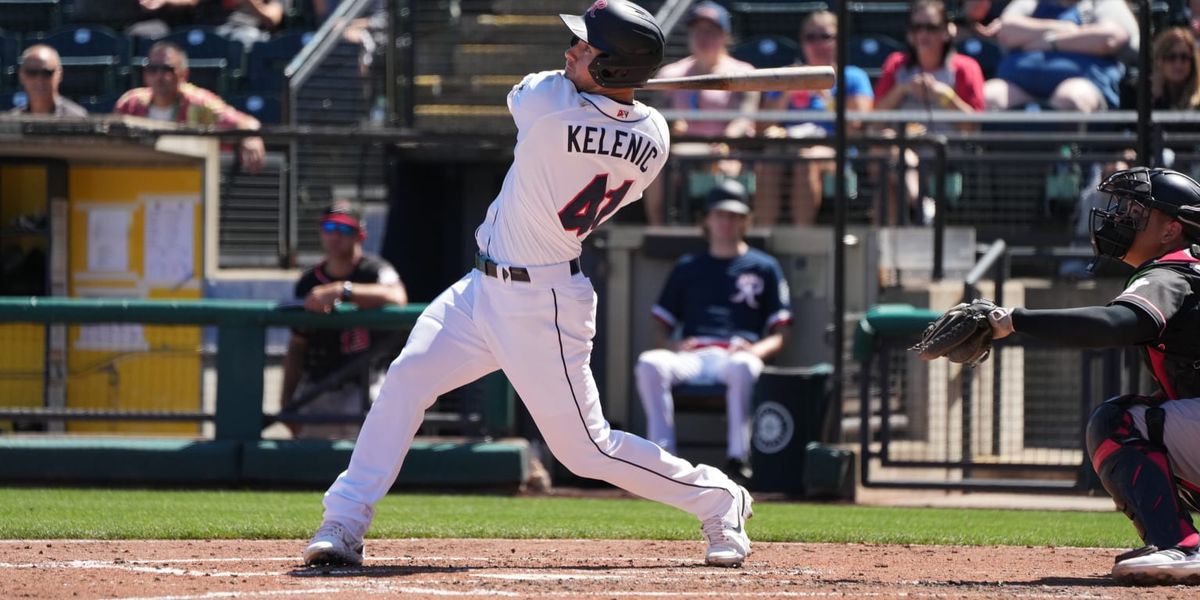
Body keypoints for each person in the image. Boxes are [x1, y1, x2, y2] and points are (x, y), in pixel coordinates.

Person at [302, 0, 754, 570]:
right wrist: (610, 84)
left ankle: (718, 497)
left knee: (585, 449)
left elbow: (541, 93)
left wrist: (599, 88)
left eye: (585, 48)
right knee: (406, 380)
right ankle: (343, 521)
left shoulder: (546, 105)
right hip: (481, 290)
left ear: (616, 68)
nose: (570, 51)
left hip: (542, 304)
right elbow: (613, 111)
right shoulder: (656, 138)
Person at [956, 167, 1200, 583]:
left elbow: (1115, 324)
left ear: (1170, 229)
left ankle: (1182, 546)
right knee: (1160, 416)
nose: (1121, 217)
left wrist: (1012, 320)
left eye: (1137, 211)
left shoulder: (1171, 272)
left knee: (1117, 422)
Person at [635, 179, 792, 483]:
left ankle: (738, 458)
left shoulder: (764, 266)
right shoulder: (688, 266)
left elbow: (782, 331)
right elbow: (660, 324)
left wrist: (756, 350)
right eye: (720, 215)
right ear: (706, 220)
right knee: (650, 363)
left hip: (737, 353)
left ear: (746, 221)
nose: (726, 222)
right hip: (694, 354)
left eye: (734, 216)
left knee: (743, 366)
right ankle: (662, 460)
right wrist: (672, 345)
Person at [279, 202, 408, 440]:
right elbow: (297, 345)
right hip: (319, 386)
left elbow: (398, 297)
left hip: (364, 385)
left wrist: (342, 291)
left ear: (360, 234)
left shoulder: (374, 270)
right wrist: (286, 402)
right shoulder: (308, 281)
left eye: (345, 229)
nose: (335, 235)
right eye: (329, 227)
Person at [641, 1, 758, 225]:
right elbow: (657, 118)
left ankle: (732, 231)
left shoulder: (744, 73)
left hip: (729, 151)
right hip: (681, 153)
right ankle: (659, 229)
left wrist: (724, 143)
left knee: (727, 165)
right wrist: (672, 127)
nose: (702, 37)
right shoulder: (670, 74)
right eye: (697, 31)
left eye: (710, 31)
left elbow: (745, 117)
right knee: (654, 163)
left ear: (725, 36)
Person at [873, 0, 985, 225]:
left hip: (946, 152)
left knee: (888, 180)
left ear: (945, 32)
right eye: (917, 28)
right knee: (888, 151)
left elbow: (973, 126)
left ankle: (892, 247)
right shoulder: (897, 65)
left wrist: (944, 95)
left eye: (931, 28)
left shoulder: (965, 67)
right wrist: (903, 88)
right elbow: (875, 117)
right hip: (903, 149)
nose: (923, 34)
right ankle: (921, 207)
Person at [757, 10, 873, 225]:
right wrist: (786, 90)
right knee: (769, 159)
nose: (817, 44)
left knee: (806, 159)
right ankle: (763, 235)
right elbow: (763, 125)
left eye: (825, 37)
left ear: (838, 40)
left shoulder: (854, 76)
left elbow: (856, 127)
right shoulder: (786, 74)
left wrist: (826, 96)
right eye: (811, 38)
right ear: (802, 42)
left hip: (836, 149)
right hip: (787, 143)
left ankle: (802, 238)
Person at [114, 41, 266, 172]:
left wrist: (250, 137)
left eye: (167, 70)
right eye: (152, 69)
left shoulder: (200, 103)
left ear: (184, 74)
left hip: (187, 179)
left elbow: (247, 123)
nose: (159, 76)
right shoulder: (130, 104)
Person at [980, 0, 1138, 112]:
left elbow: (1109, 39)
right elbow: (1006, 30)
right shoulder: (1030, 3)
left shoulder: (1101, 4)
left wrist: (1052, 42)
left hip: (1083, 84)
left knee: (1071, 97)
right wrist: (1065, 28)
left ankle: (1069, 159)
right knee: (989, 96)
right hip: (1018, 86)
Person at [9, 46, 87, 117]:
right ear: (21, 75)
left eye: (47, 72)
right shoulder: (13, 122)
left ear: (60, 74)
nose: (39, 80)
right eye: (32, 72)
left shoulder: (76, 119)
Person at [1152, 27, 1200, 111]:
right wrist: (1156, 97)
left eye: (1184, 57)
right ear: (1160, 61)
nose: (1178, 64)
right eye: (1171, 57)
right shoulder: (1140, 94)